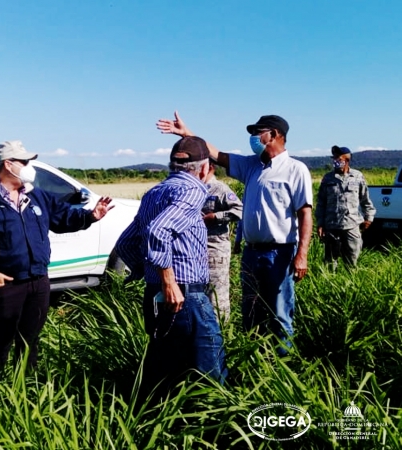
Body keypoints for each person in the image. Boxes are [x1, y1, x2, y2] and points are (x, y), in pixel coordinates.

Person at [157, 112, 313, 355]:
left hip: (280, 253)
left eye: (257, 133)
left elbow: (305, 214)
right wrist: (188, 135)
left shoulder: (296, 169)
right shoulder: (252, 165)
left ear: (273, 135)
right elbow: (217, 155)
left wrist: (301, 254)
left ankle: (283, 366)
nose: (252, 138)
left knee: (280, 312)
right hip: (252, 253)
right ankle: (254, 359)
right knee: (250, 311)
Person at [0, 140, 113, 372]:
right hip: (6, 283)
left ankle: (27, 386)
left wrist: (90, 216)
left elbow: (62, 218)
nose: (30, 166)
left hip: (38, 280)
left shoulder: (37, 196)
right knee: (0, 340)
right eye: (24, 161)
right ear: (8, 164)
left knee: (30, 339)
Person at [115, 136, 227, 400]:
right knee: (209, 369)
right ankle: (213, 427)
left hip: (157, 294)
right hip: (184, 296)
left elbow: (126, 242)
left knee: (165, 369)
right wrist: (168, 280)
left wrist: (147, 272)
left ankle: (158, 420)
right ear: (203, 168)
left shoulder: (154, 192)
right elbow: (159, 230)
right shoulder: (193, 189)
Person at [316, 145, 376, 268]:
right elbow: (321, 202)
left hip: (352, 225)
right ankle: (330, 284)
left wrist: (369, 218)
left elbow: (365, 199)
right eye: (334, 158)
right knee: (330, 262)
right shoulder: (328, 178)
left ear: (347, 160)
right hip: (332, 225)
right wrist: (320, 223)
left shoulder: (357, 176)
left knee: (352, 260)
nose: (335, 161)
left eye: (338, 159)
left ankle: (351, 283)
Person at [202, 161, 243, 322]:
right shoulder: (193, 189)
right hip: (196, 251)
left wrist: (216, 217)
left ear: (210, 167)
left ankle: (222, 334)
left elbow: (239, 210)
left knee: (217, 296)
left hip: (215, 250)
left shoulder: (220, 189)